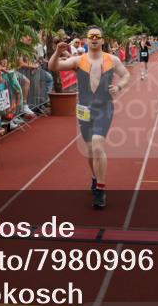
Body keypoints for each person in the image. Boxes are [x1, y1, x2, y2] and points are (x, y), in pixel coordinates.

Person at [49, 26, 130, 209]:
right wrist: (57, 52)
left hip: (104, 109)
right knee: (90, 149)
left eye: (97, 36)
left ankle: (100, 190)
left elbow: (126, 74)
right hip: (84, 109)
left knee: (97, 143)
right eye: (91, 36)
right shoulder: (78, 60)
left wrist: (119, 87)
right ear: (86, 40)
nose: (94, 39)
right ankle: (95, 177)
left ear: (102, 40)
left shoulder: (112, 59)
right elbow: (53, 66)